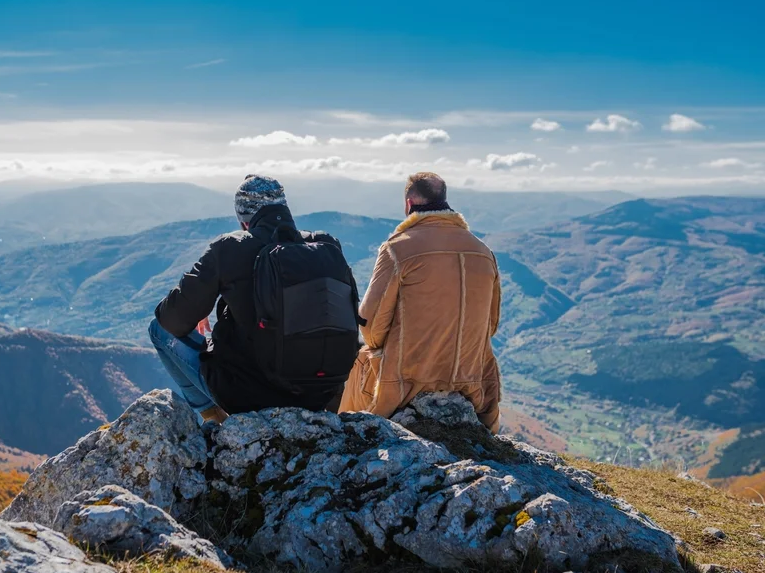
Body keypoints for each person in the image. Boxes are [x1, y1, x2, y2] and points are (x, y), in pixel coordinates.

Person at [149, 174, 357, 423]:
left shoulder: (230, 247)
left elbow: (171, 319)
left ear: (244, 220)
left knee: (158, 330)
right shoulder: (324, 245)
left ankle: (214, 421)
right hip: (322, 395)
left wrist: (200, 304)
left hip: (250, 396)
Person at [338, 172, 503, 433]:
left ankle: (346, 439)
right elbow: (491, 325)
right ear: (445, 201)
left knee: (361, 358)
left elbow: (371, 328)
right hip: (473, 385)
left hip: (405, 386)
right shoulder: (483, 251)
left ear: (409, 204)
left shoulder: (397, 248)